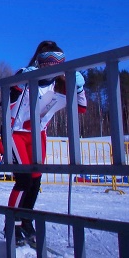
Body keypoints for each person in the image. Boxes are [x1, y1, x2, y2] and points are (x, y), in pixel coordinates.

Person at [5, 41, 87, 246]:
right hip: (16, 132)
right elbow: (8, 97)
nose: (51, 67)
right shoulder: (25, 75)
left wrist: (78, 87)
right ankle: (12, 224)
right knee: (23, 180)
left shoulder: (59, 83)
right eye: (47, 61)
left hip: (38, 134)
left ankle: (26, 220)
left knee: (35, 180)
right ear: (39, 61)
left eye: (57, 62)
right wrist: (23, 79)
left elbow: (81, 108)